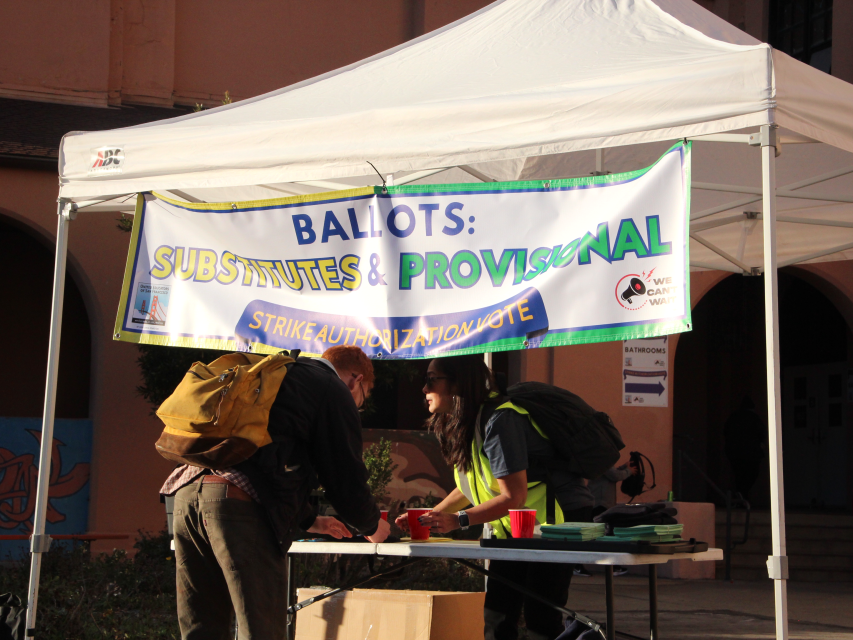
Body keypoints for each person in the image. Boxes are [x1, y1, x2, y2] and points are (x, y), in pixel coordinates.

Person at [160, 346, 390, 640]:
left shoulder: (278, 373)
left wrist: (310, 520)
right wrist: (370, 524)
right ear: (356, 380)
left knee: (201, 631)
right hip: (237, 506)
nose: (357, 406)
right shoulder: (332, 389)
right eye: (362, 399)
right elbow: (344, 476)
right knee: (261, 631)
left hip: (187, 493)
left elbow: (271, 456)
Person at [395, 355, 594, 640]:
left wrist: (459, 520)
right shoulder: (470, 420)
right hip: (514, 527)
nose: (424, 389)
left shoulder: (500, 419)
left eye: (430, 379)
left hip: (555, 521)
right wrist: (433, 515)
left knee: (540, 618)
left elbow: (514, 495)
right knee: (497, 617)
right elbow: (470, 486)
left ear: (458, 382)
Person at [723, 396, 766, 499]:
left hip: (735, 453)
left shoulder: (733, 417)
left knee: (739, 476)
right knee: (750, 475)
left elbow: (726, 432)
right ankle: (742, 495)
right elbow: (762, 434)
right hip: (751, 454)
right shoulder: (754, 418)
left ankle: (740, 496)